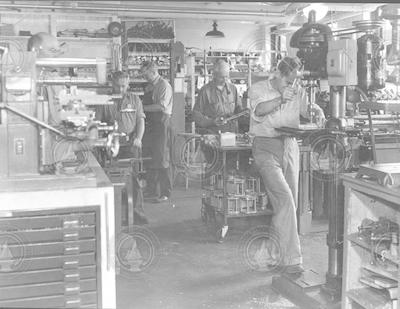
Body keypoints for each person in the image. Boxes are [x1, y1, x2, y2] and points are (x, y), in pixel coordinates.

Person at [249, 56, 325, 274]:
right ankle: (292, 260)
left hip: (290, 146)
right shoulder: (259, 88)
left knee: (288, 206)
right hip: (265, 147)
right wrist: (281, 98)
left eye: (295, 81)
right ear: (278, 74)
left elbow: (305, 110)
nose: (293, 85)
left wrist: (315, 110)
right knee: (285, 199)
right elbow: (259, 110)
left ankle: (271, 254)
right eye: (289, 81)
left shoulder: (297, 88)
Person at [96, 71, 147, 224]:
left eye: (124, 86)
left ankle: (136, 213)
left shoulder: (135, 100)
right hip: (111, 143)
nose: (121, 89)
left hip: (130, 143)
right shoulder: (105, 101)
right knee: (112, 178)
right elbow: (97, 123)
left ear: (128, 85)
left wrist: (138, 138)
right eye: (118, 86)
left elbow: (140, 121)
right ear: (112, 84)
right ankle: (114, 215)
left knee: (133, 179)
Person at [140, 61, 173, 203]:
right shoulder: (149, 87)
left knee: (162, 158)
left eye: (145, 74)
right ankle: (152, 190)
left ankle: (166, 192)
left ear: (153, 72)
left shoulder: (163, 85)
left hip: (161, 123)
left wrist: (142, 108)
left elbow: (161, 106)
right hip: (151, 124)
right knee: (150, 157)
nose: (143, 76)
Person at [193, 59, 242, 134]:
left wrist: (244, 112)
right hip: (212, 134)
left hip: (231, 133)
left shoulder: (233, 89)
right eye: (221, 77)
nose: (225, 80)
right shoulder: (205, 91)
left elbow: (238, 108)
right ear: (214, 75)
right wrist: (211, 122)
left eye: (226, 77)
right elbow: (196, 114)